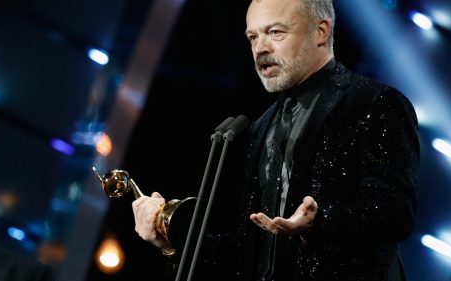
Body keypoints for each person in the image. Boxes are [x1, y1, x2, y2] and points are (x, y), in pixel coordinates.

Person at [131, 0, 420, 280]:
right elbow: (250, 252)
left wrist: (318, 222)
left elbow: (395, 213)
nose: (260, 48)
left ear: (321, 31)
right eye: (253, 36)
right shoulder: (260, 127)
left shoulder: (374, 103)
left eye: (275, 32)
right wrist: (169, 239)